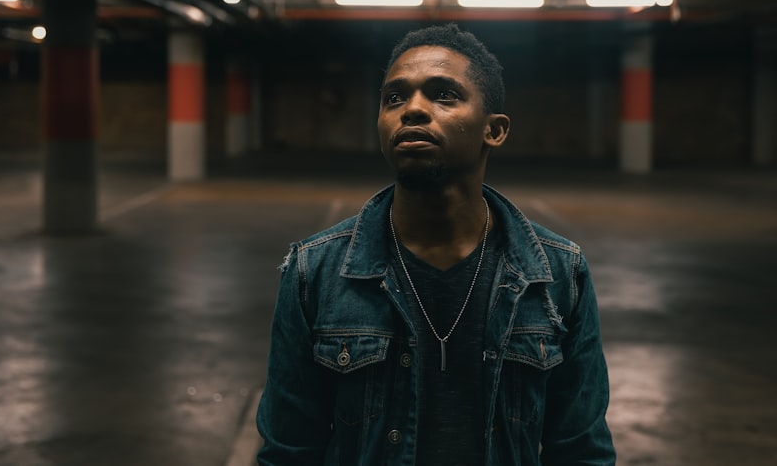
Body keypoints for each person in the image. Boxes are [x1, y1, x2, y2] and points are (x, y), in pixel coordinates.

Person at [256, 24, 615, 466]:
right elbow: (289, 450)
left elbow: (580, 451)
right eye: (394, 97)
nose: (412, 110)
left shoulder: (559, 273)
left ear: (494, 130)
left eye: (443, 95)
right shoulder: (315, 270)